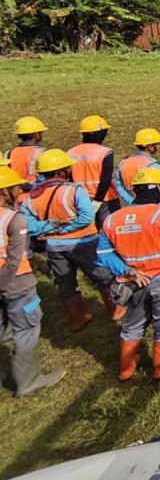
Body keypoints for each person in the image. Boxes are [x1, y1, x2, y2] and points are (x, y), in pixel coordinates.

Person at [98, 168, 160, 381]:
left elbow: (103, 254)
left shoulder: (112, 220)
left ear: (135, 192)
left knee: (132, 323)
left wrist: (128, 270)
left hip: (131, 282)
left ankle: (126, 368)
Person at [22, 149, 120, 330]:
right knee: (104, 278)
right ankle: (116, 311)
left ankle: (77, 320)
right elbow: (85, 218)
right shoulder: (74, 191)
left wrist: (50, 228)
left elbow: (28, 223)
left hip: (54, 247)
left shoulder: (32, 197)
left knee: (66, 285)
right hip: (83, 242)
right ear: (61, 171)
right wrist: (63, 227)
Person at [0, 166, 65, 397]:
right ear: (5, 191)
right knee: (26, 329)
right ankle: (28, 380)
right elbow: (15, 257)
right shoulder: (13, 219)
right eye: (16, 187)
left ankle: (7, 370)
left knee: (3, 329)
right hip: (16, 283)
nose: (20, 190)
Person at [68, 115, 119, 226]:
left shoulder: (71, 152)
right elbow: (106, 179)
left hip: (80, 199)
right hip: (105, 199)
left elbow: (70, 179)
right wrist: (98, 200)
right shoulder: (105, 152)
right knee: (109, 230)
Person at [115, 128, 160, 206]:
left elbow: (119, 186)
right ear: (150, 147)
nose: (159, 146)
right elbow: (156, 189)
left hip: (131, 204)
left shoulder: (123, 163)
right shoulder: (152, 165)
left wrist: (131, 201)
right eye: (157, 144)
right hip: (152, 205)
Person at [6, 117, 47, 184]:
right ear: (36, 135)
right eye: (40, 133)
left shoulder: (7, 154)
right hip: (34, 192)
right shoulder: (43, 153)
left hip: (13, 192)